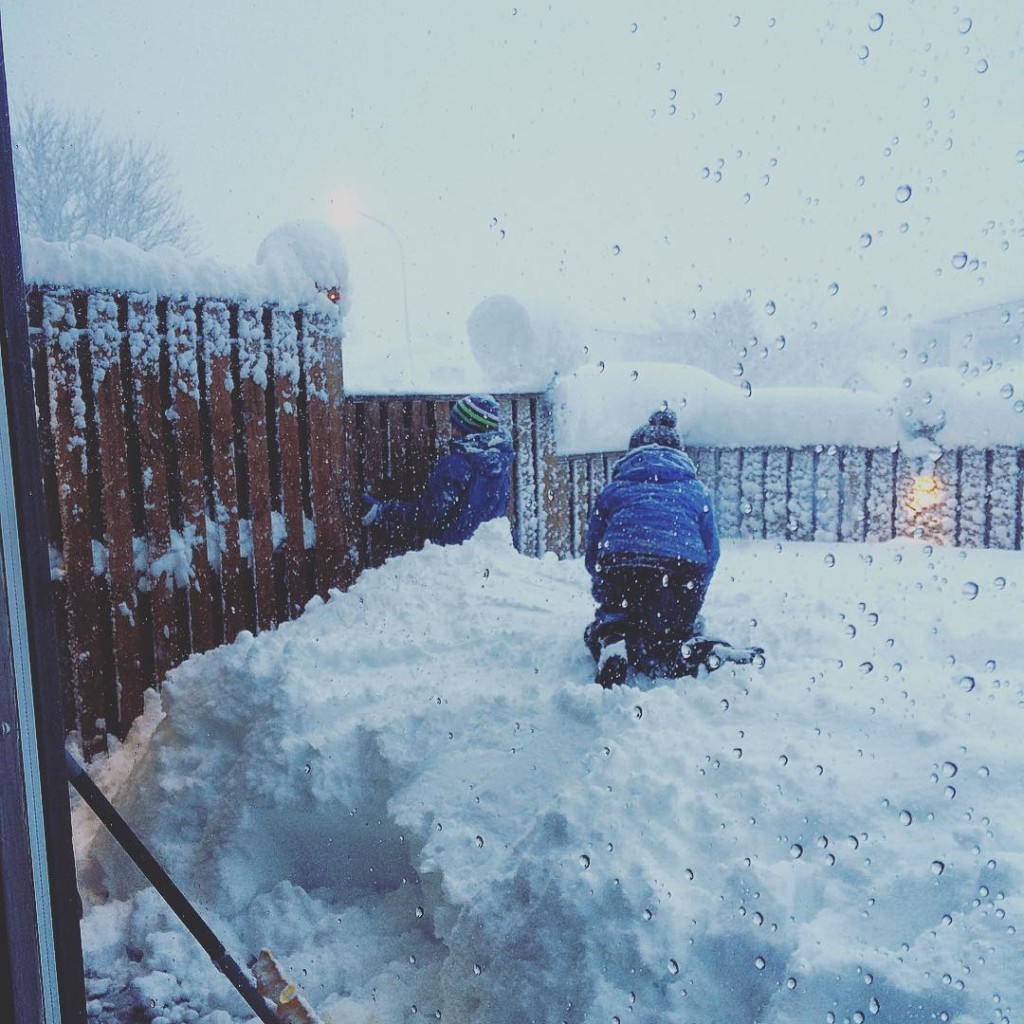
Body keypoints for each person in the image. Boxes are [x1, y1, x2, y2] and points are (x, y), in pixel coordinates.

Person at [583, 407, 720, 687]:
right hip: (681, 568)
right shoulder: (695, 491)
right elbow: (711, 551)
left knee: (616, 618)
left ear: (631, 454)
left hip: (621, 564)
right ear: (681, 454)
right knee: (671, 633)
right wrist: (694, 592)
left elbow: (594, 544)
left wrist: (603, 582)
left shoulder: (615, 489)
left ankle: (614, 643)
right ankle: (689, 650)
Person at [361, 393, 515, 549]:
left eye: (457, 427)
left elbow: (427, 514)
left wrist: (383, 511)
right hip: (490, 555)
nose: (453, 432)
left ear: (470, 429)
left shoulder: (456, 466)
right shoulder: (500, 465)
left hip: (454, 557)